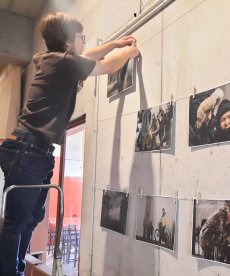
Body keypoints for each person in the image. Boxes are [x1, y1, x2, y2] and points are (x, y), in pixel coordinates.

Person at [0, 12, 140, 276]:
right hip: (28, 149)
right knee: (18, 222)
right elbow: (107, 66)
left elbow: (92, 54)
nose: (84, 42)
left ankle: (15, 269)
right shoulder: (63, 63)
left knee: (31, 218)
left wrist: (116, 44)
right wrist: (131, 51)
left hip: (34, 150)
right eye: (81, 38)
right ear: (67, 43)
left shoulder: (55, 60)